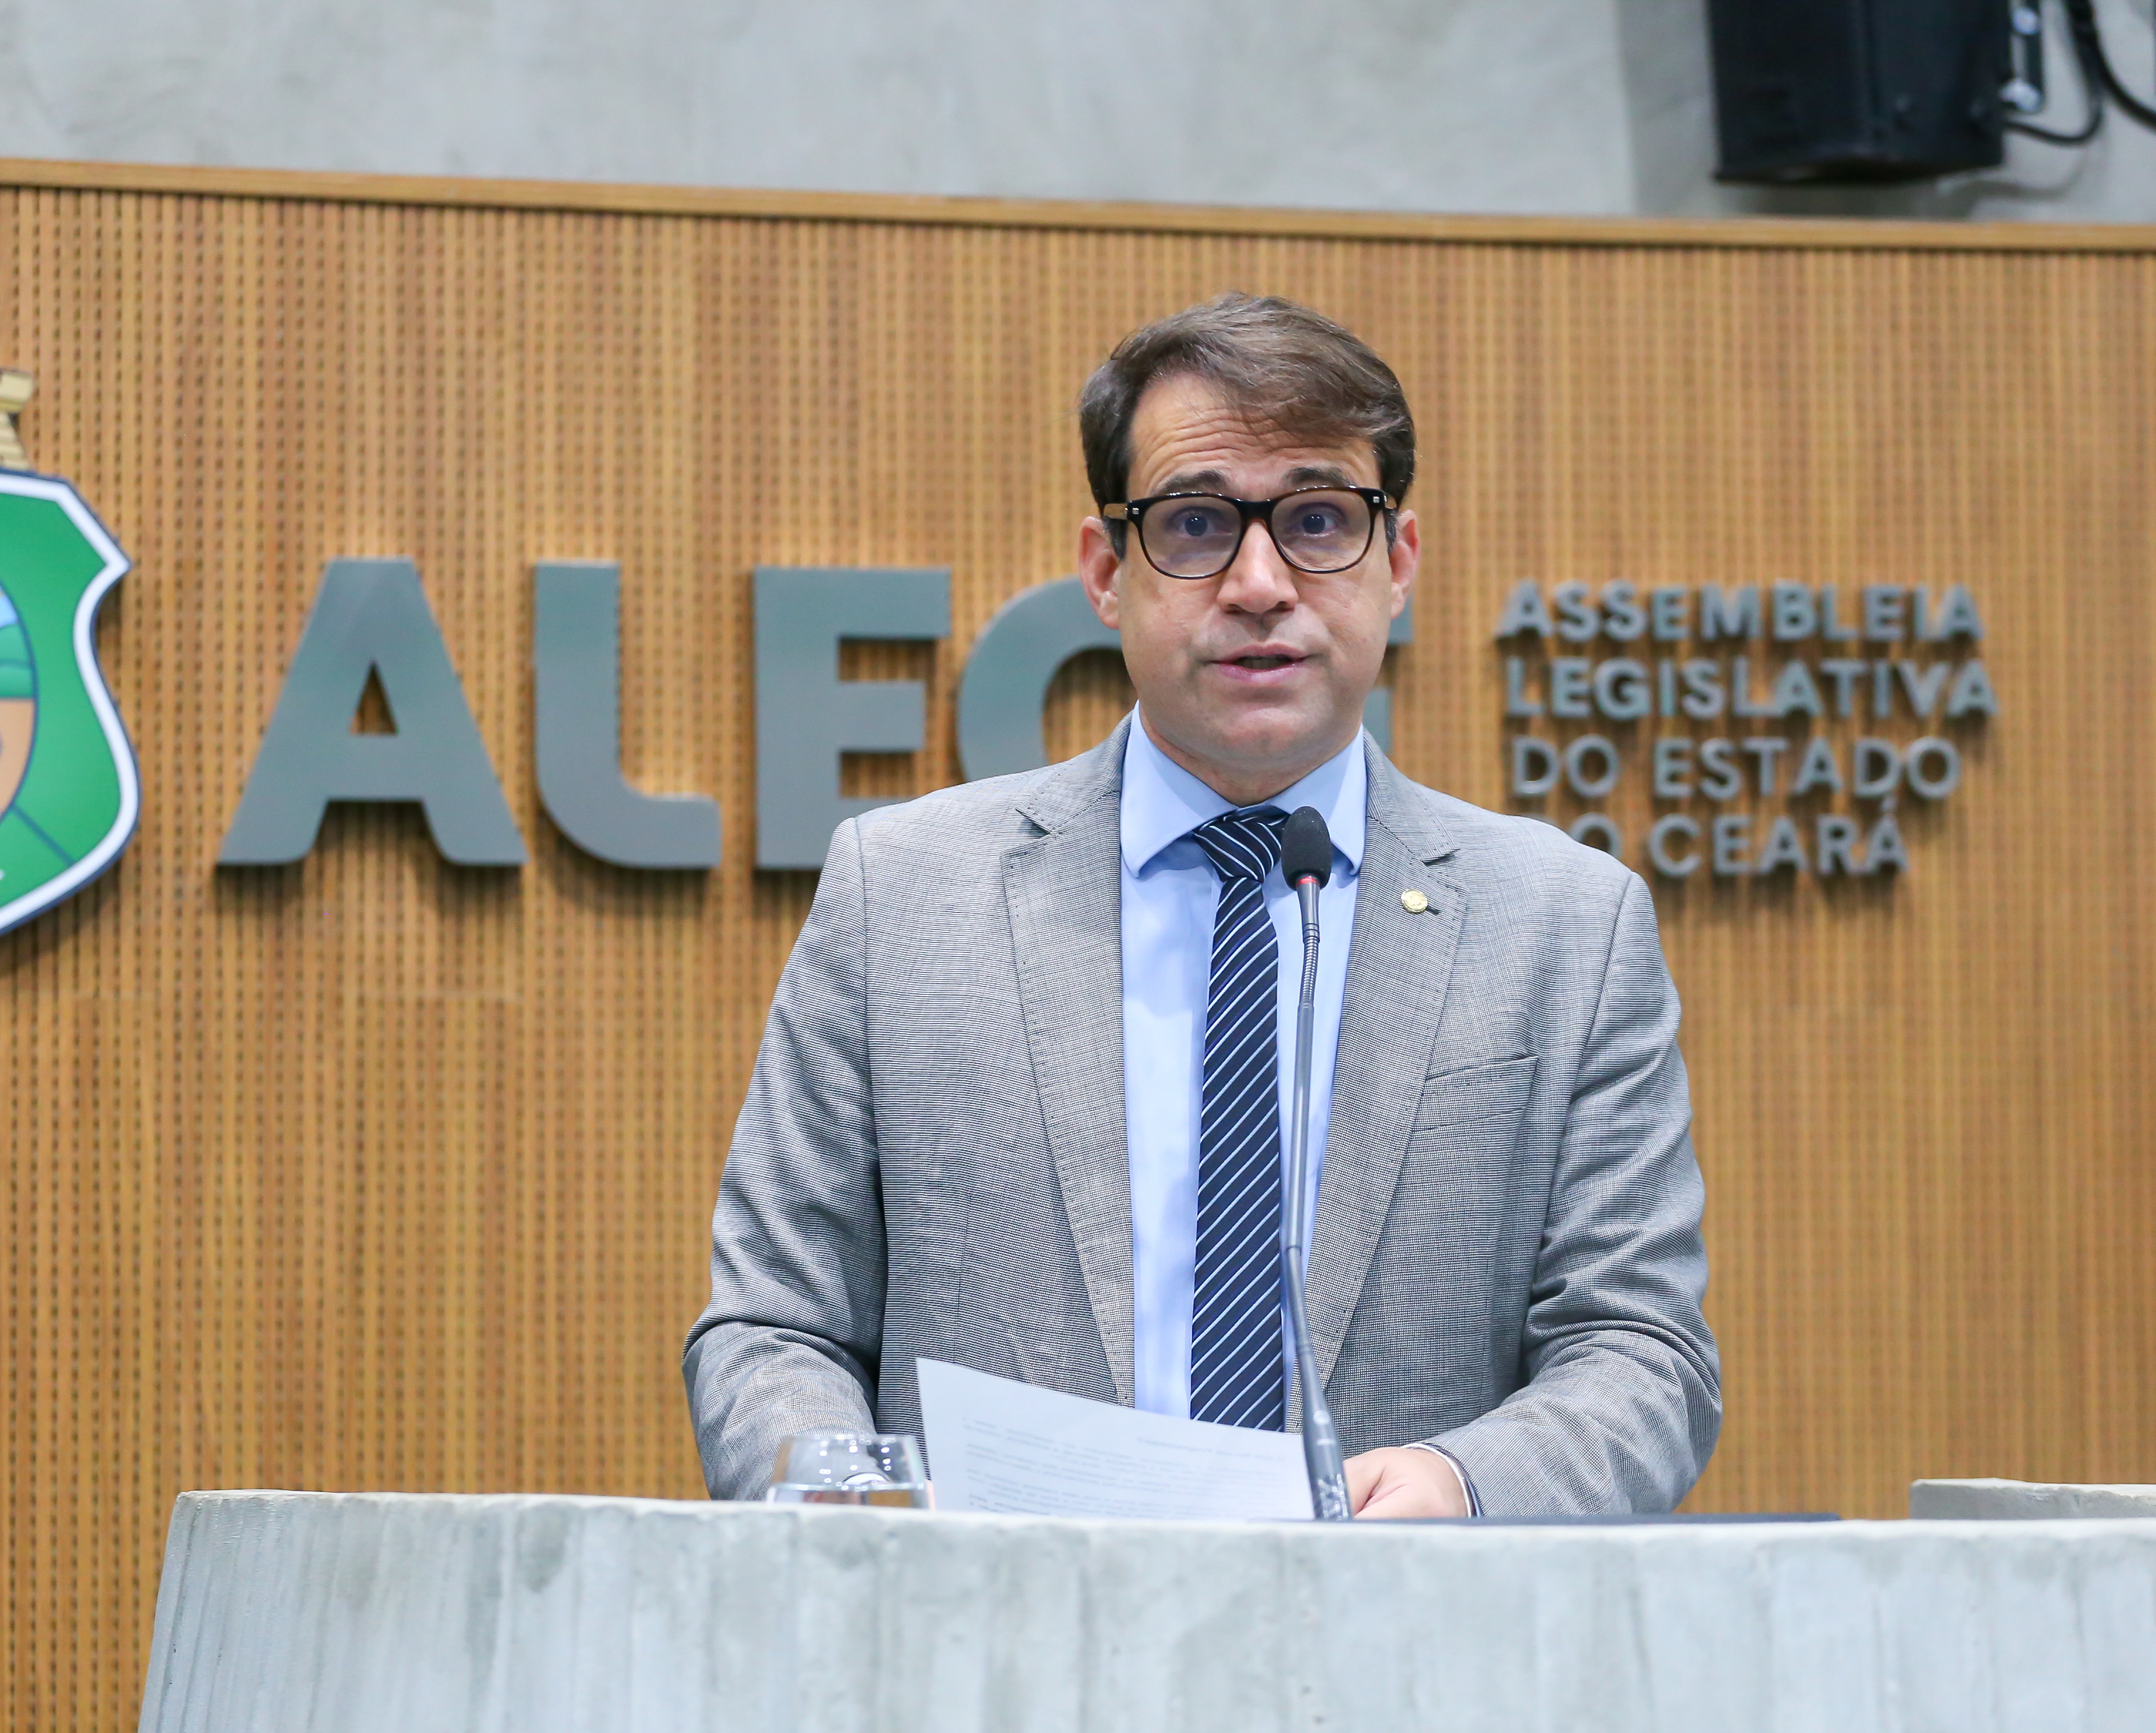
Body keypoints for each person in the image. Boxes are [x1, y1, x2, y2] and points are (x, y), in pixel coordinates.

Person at [685, 293, 1719, 1517]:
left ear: (1399, 563)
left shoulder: (1566, 926)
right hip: (994, 1628)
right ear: (1105, 571)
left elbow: (1640, 1351)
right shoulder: (901, 893)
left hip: (1396, 1621)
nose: (1260, 583)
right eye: (1194, 524)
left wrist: (1461, 1484)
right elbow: (774, 1325)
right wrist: (860, 1529)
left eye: (1320, 520)